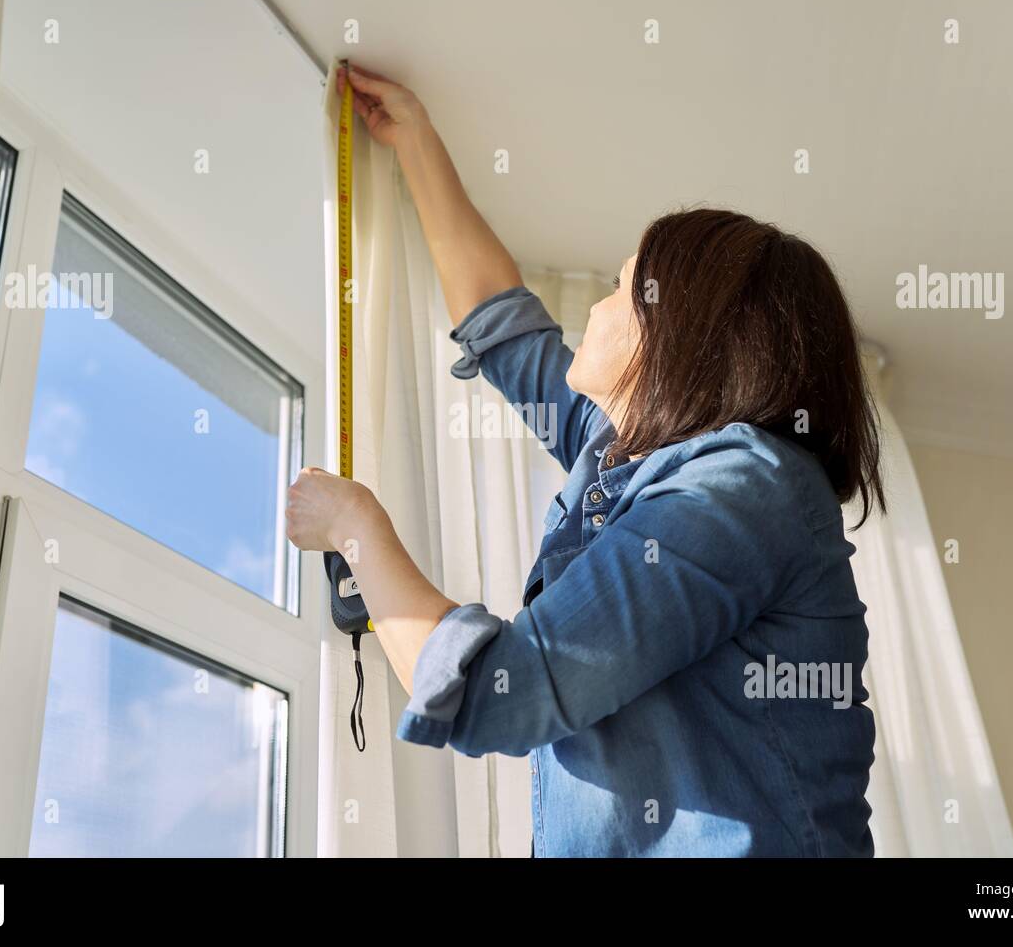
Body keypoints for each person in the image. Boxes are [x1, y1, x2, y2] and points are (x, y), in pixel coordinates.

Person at [287, 64, 882, 857]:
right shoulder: (625, 461)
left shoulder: (741, 489)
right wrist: (418, 144)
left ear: (679, 336)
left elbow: (501, 692)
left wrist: (356, 527)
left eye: (620, 286)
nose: (597, 307)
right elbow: (506, 332)